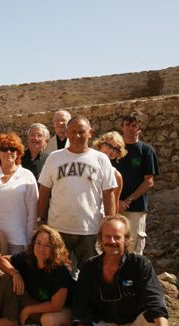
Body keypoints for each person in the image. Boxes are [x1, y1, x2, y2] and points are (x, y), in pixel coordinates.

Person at [66, 215, 176, 326]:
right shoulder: (90, 266)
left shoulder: (140, 264)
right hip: (107, 325)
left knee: (154, 324)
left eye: (117, 237)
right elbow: (81, 303)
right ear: (100, 239)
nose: (111, 241)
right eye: (107, 236)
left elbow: (155, 299)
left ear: (126, 239)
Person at [38, 116, 117, 272]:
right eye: (73, 132)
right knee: (57, 272)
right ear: (67, 133)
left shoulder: (101, 159)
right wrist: (40, 220)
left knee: (91, 273)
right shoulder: (54, 157)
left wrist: (109, 225)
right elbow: (44, 191)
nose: (77, 136)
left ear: (90, 133)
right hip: (58, 229)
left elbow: (109, 194)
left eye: (81, 132)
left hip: (90, 229)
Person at [0, 225, 73, 326]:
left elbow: (56, 305)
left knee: (48, 321)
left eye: (47, 245)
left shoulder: (60, 270)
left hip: (66, 309)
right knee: (9, 285)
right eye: (38, 243)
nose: (41, 249)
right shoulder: (28, 258)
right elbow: (1, 260)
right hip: (42, 303)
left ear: (55, 248)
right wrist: (15, 273)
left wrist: (28, 310)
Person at [0, 132, 38, 255]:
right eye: (4, 149)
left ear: (18, 153)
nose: (8, 152)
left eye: (12, 149)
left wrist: (30, 240)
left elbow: (33, 211)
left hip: (17, 239)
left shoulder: (27, 175)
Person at [114, 112, 159, 254]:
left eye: (134, 125)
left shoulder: (146, 151)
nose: (130, 128)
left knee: (134, 247)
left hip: (136, 207)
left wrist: (128, 200)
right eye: (127, 125)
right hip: (114, 206)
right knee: (114, 244)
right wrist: (116, 202)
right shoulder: (114, 150)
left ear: (140, 129)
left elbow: (149, 182)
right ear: (122, 127)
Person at [93, 131, 127, 213]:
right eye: (108, 146)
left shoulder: (116, 175)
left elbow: (114, 205)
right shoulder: (87, 166)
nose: (111, 151)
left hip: (102, 219)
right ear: (100, 145)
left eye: (116, 149)